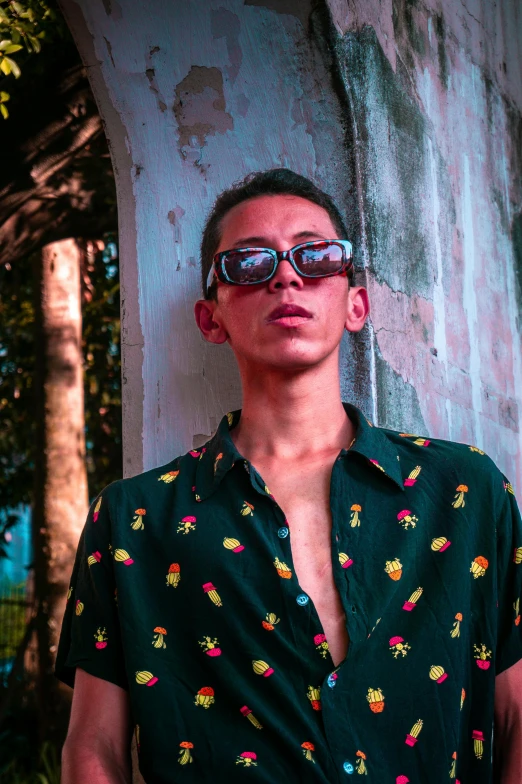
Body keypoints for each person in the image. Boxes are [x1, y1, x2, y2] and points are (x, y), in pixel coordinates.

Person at [56, 168, 522, 784]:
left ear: (355, 303)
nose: (286, 274)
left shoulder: (466, 493)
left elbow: (515, 717)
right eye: (249, 263)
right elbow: (94, 749)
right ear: (211, 318)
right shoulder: (135, 521)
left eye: (316, 255)